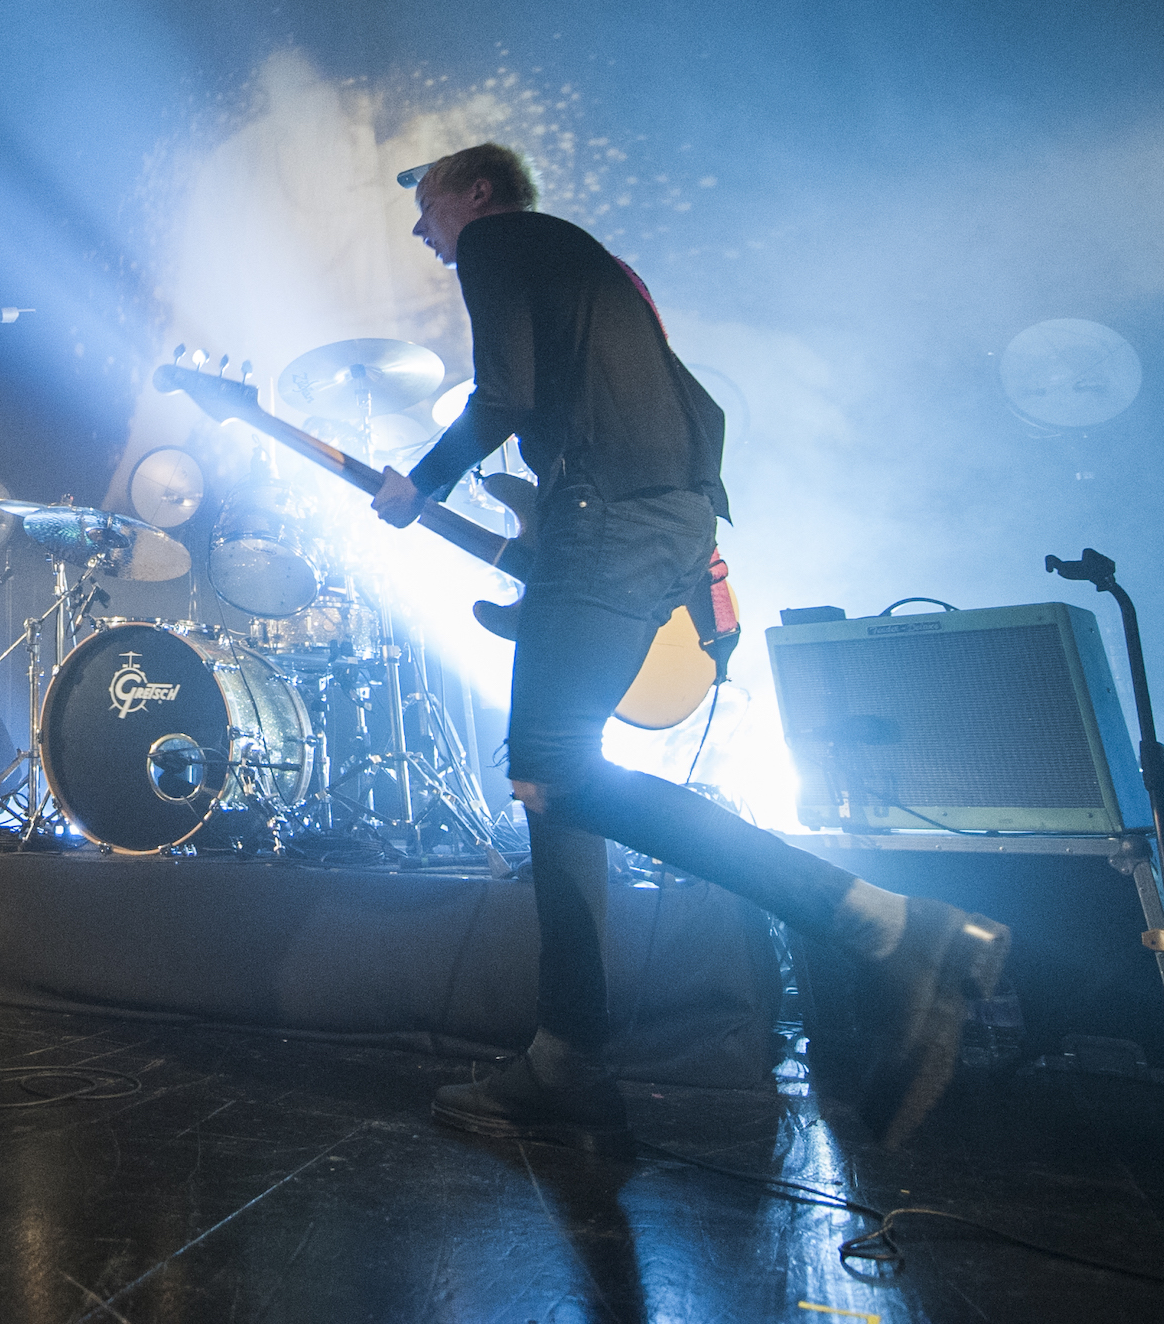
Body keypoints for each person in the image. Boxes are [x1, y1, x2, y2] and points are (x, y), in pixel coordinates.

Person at [373, 142, 1008, 1153]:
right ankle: (569, 1058)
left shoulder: (499, 242)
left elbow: (506, 397)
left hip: (610, 523)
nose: (422, 229)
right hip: (659, 525)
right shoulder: (588, 265)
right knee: (555, 784)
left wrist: (420, 482)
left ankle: (887, 928)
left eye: (429, 205)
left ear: (477, 193)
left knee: (552, 773)